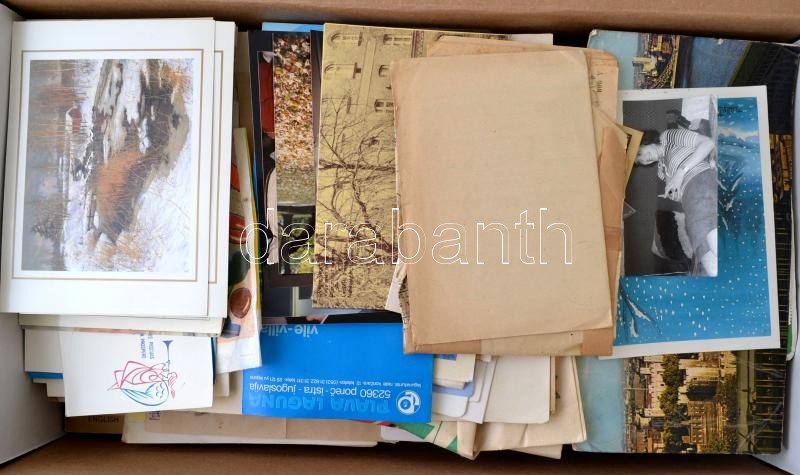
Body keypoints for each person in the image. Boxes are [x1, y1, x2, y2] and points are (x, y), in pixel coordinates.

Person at [636, 127, 718, 276]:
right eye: (640, 161)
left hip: (700, 180)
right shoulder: (661, 171)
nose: (644, 160)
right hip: (690, 202)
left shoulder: (668, 136)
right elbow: (679, 192)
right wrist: (674, 195)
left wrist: (680, 172)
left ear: (645, 141)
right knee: (708, 261)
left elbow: (708, 143)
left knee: (709, 233)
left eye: (640, 153)